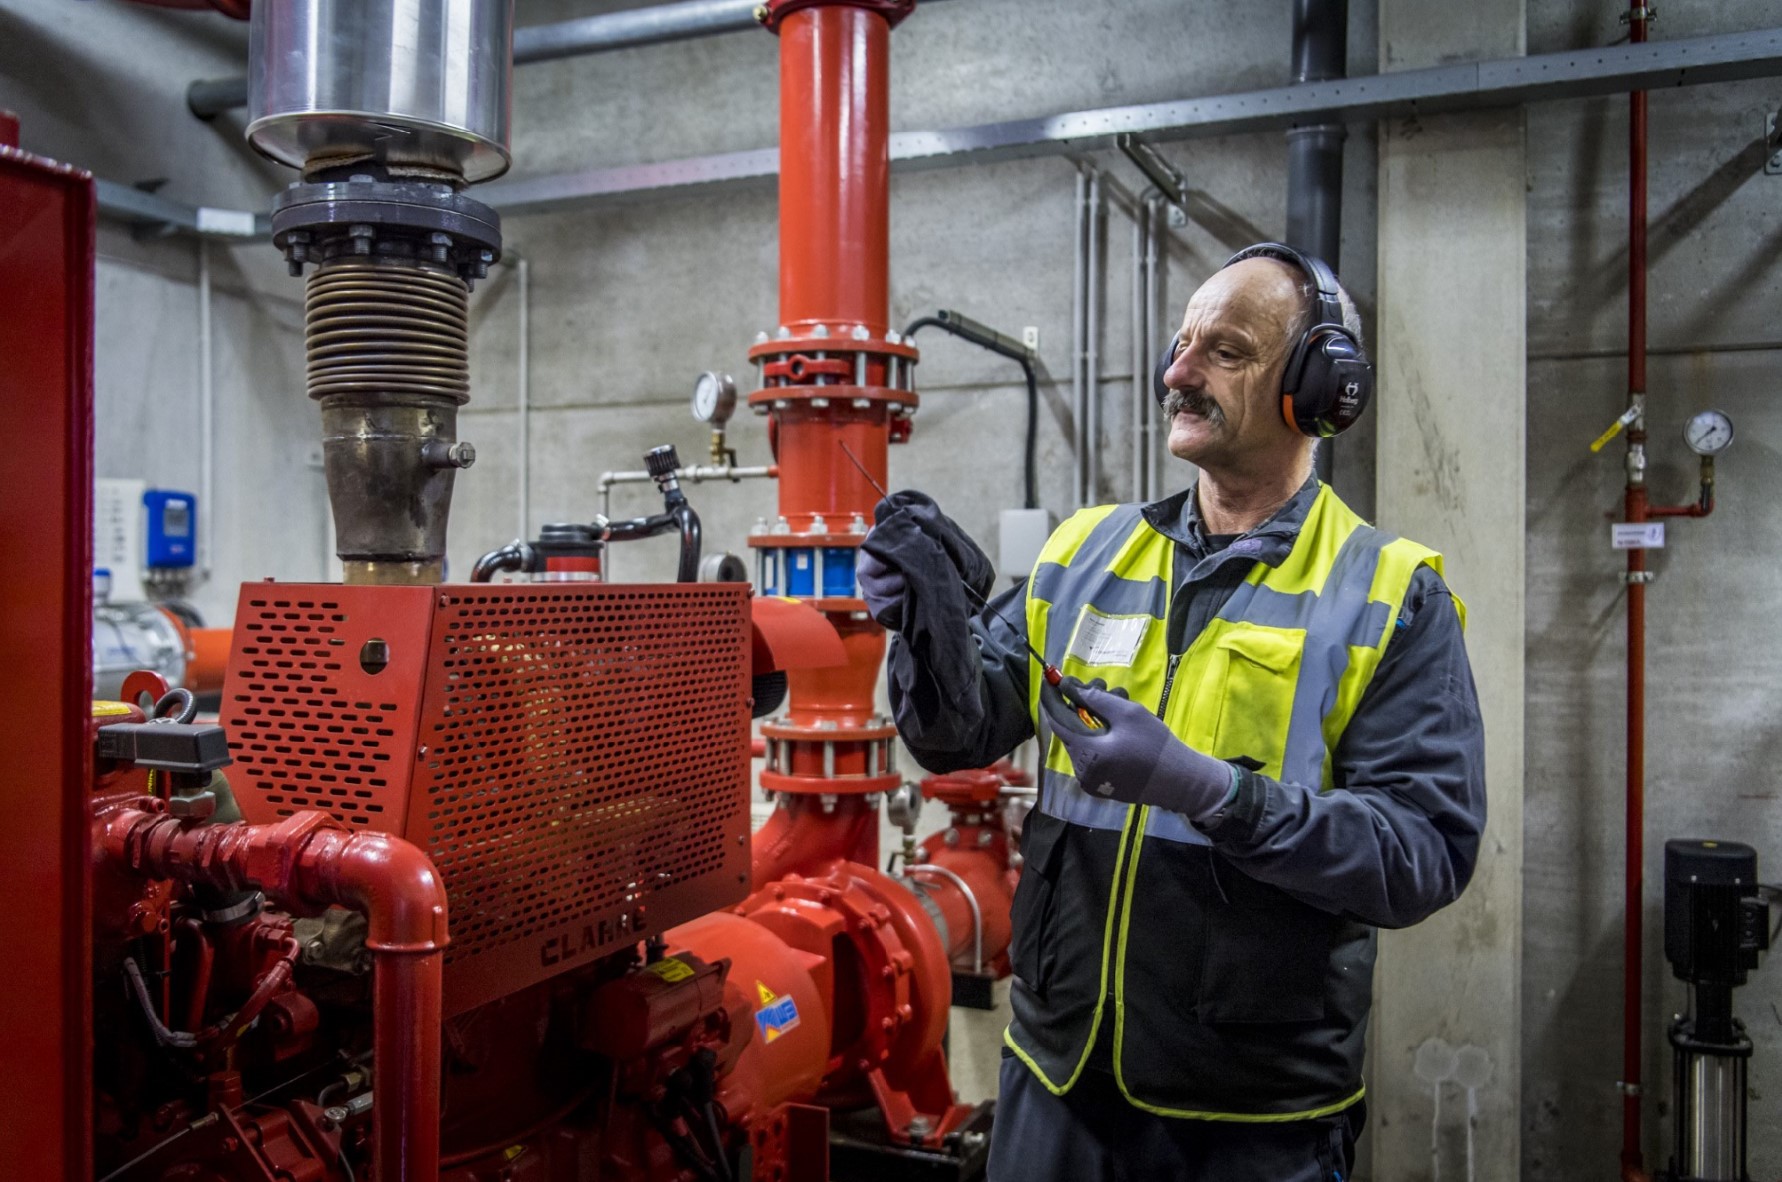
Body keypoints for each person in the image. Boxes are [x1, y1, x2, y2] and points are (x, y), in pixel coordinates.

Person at [857, 244, 1487, 1182]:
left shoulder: (1391, 595)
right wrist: (923, 619)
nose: (1179, 373)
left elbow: (1421, 856)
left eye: (1224, 351)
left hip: (1249, 1121)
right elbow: (959, 731)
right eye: (1181, 345)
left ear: (1320, 389)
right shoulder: (1086, 551)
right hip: (1055, 1081)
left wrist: (1213, 793)